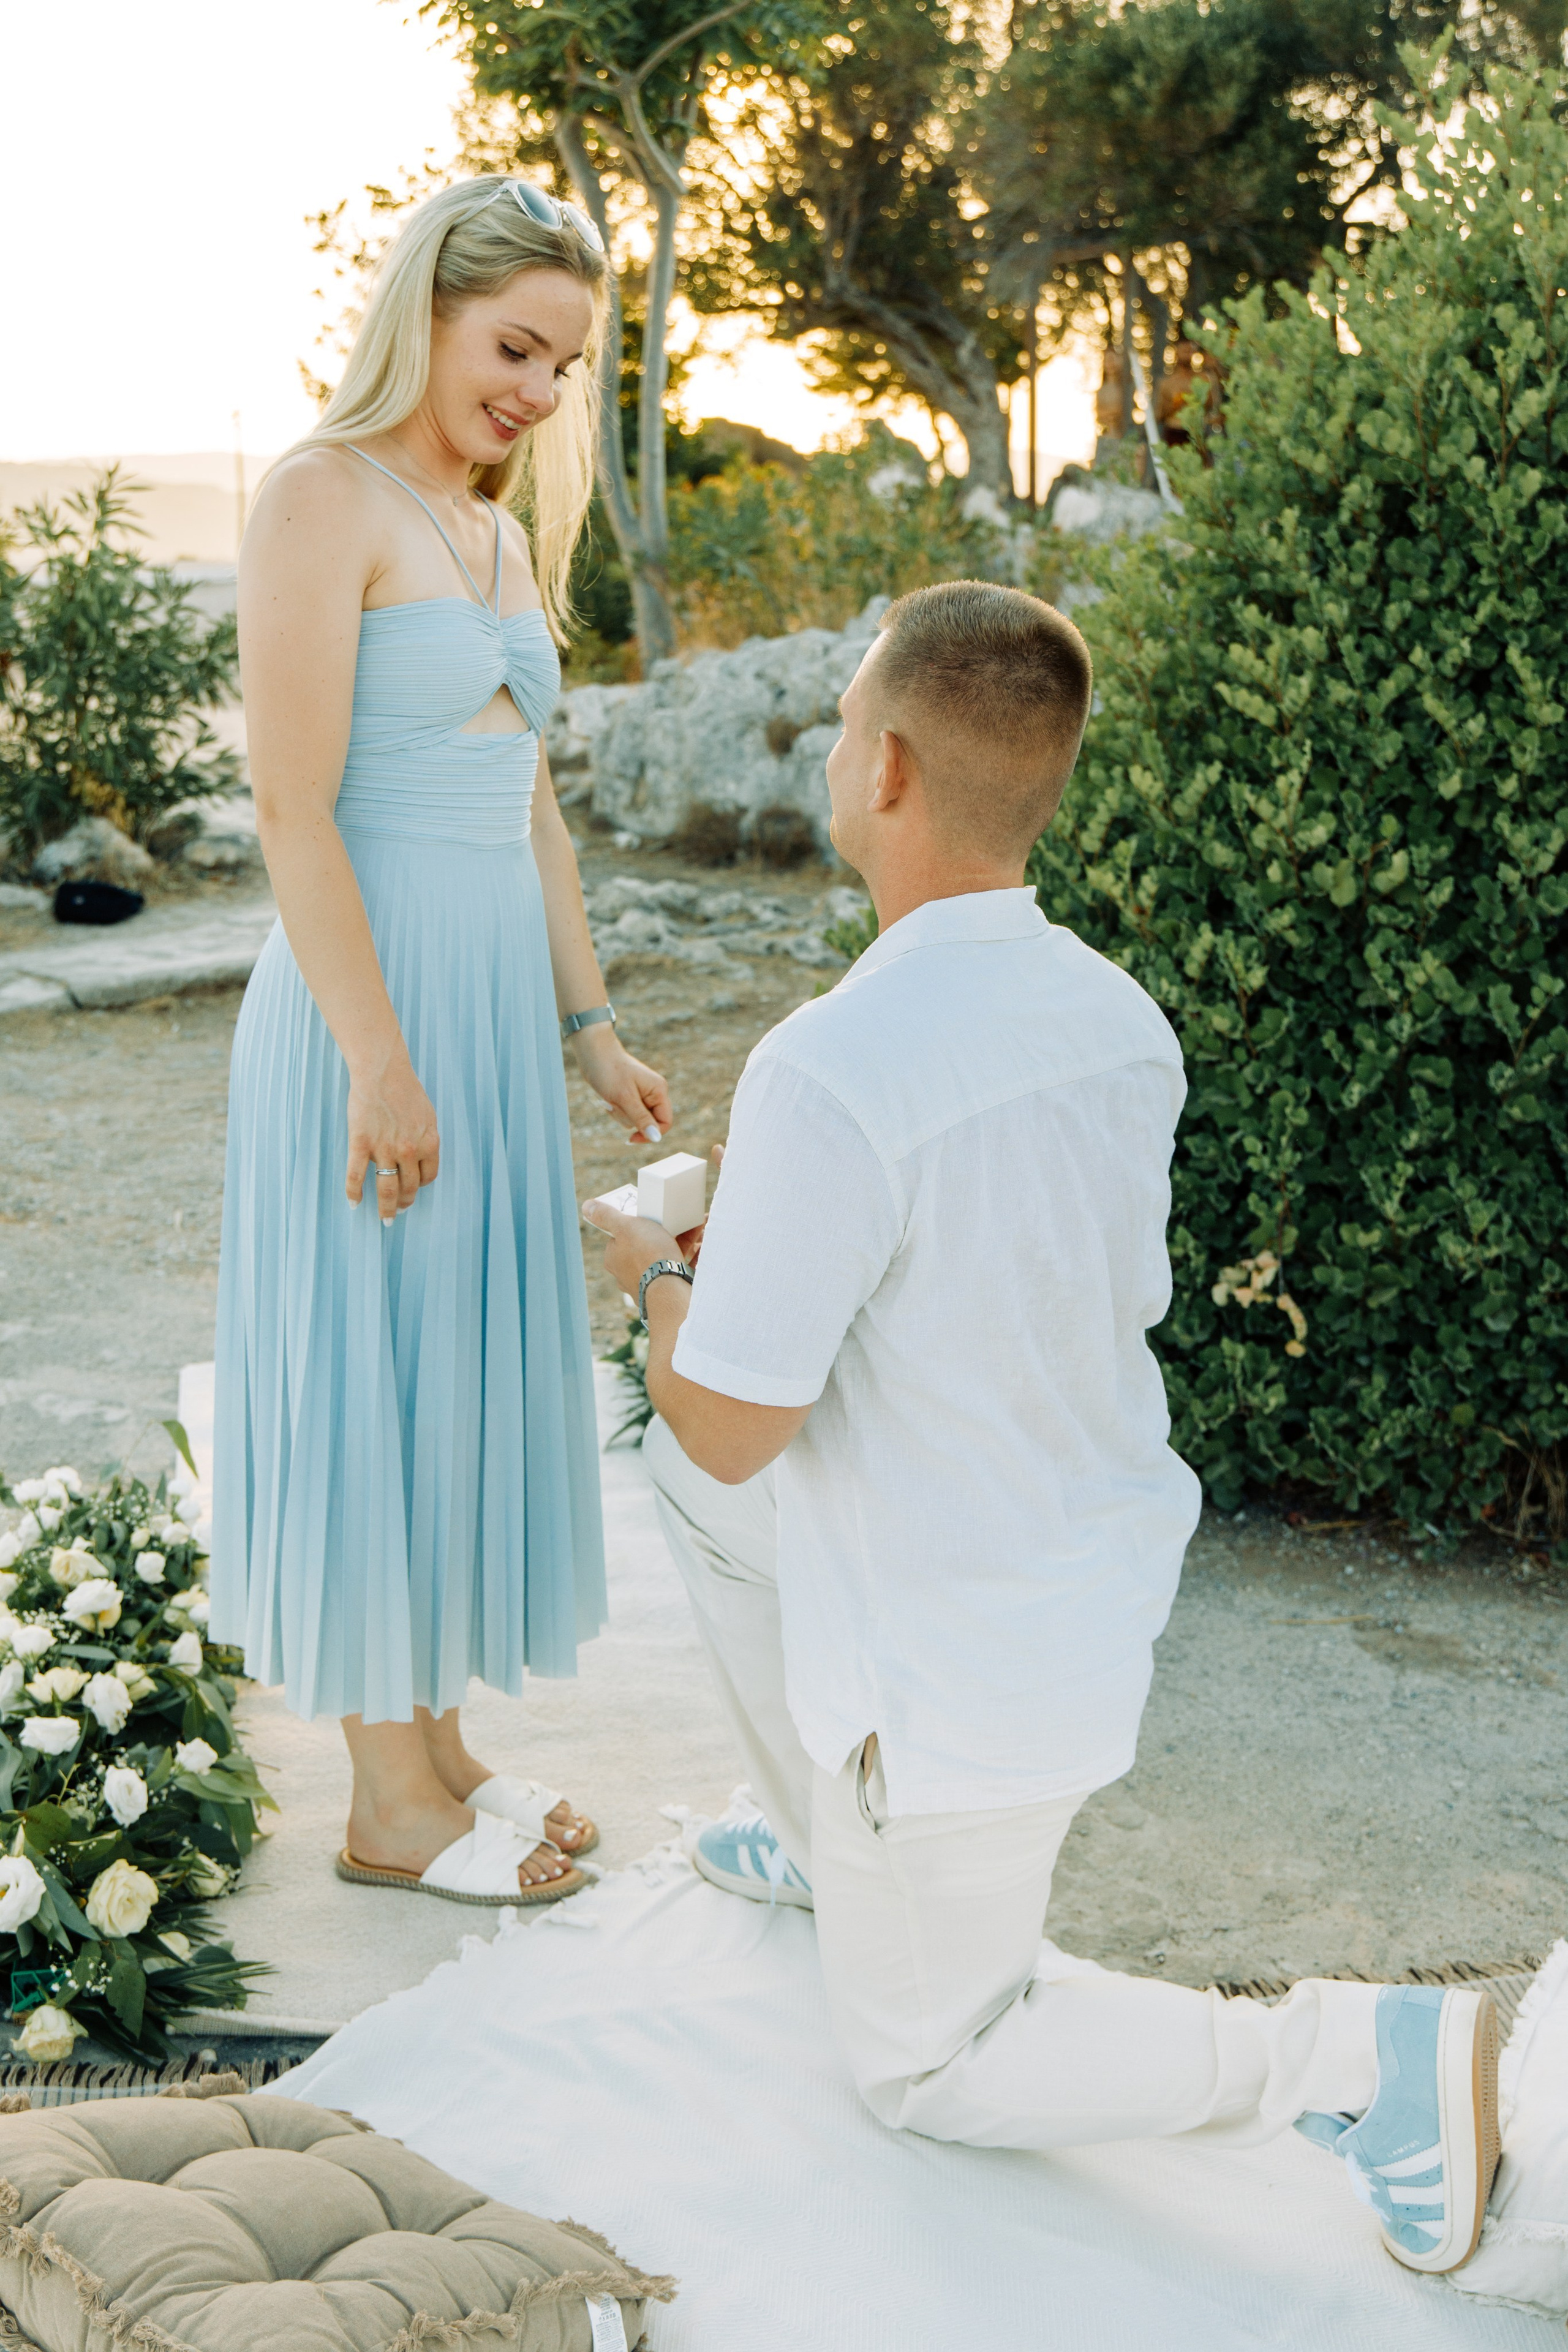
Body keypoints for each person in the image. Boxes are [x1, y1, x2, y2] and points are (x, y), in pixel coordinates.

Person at [584, 580, 1500, 2275]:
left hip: (949, 1679)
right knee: (705, 1505)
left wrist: (653, 1269)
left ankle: (1351, 2054)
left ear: (891, 775)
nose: (836, 746)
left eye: (850, 721)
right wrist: (754, 1269)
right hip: (1079, 1581)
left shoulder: (826, 1067)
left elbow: (724, 1426)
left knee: (932, 2062)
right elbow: (973, 1287)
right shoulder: (1115, 1017)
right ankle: (817, 1843)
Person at [213, 179, 671, 1907]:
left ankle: (443, 1749)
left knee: (449, 1372)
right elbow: (289, 801)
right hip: (366, 1017)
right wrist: (378, 1055)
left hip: (481, 1014)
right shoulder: (321, 498)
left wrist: (592, 1026)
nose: (541, 394)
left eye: (565, 364)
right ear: (430, 312)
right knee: (370, 1367)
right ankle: (382, 1803)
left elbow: (528, 805)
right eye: (516, 348)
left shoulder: (490, 528)